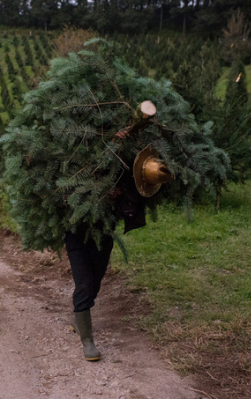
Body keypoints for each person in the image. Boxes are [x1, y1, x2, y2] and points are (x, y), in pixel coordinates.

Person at [67, 131, 171, 362]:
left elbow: (140, 189)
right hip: (76, 232)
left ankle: (78, 316)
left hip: (103, 233)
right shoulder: (84, 163)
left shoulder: (126, 173)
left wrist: (120, 194)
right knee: (84, 283)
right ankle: (87, 341)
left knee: (95, 281)